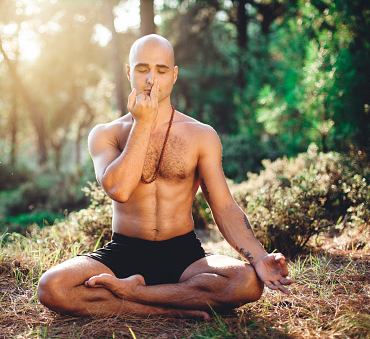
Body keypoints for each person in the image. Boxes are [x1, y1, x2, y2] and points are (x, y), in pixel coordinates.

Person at [37, 34, 294, 319]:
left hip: (182, 255)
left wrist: (259, 258)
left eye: (161, 70)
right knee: (52, 287)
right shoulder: (106, 133)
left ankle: (135, 294)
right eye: (142, 68)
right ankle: (170, 309)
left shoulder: (201, 135)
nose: (151, 79)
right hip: (124, 252)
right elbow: (119, 189)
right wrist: (143, 123)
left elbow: (223, 206)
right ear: (129, 72)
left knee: (247, 282)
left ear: (173, 76)